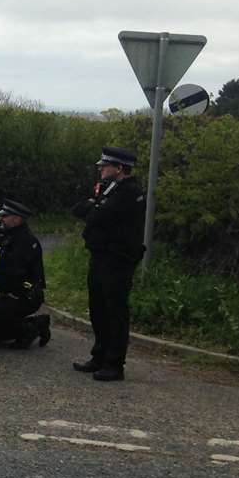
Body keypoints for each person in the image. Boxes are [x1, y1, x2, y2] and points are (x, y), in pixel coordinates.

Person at [71, 146, 146, 381]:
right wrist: (95, 203)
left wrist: (94, 204)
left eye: (105, 166)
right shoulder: (110, 189)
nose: (101, 170)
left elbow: (95, 217)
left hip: (118, 258)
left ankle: (115, 364)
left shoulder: (129, 192)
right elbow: (78, 211)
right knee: (98, 308)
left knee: (115, 310)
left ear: (120, 168)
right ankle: (100, 355)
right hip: (101, 255)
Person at [0, 197, 50, 349]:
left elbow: (19, 274)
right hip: (12, 293)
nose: (1, 219)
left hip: (25, 294)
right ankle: (24, 326)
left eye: (5, 216)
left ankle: (33, 327)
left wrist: (9, 294)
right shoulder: (10, 234)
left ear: (16, 219)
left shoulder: (26, 242)